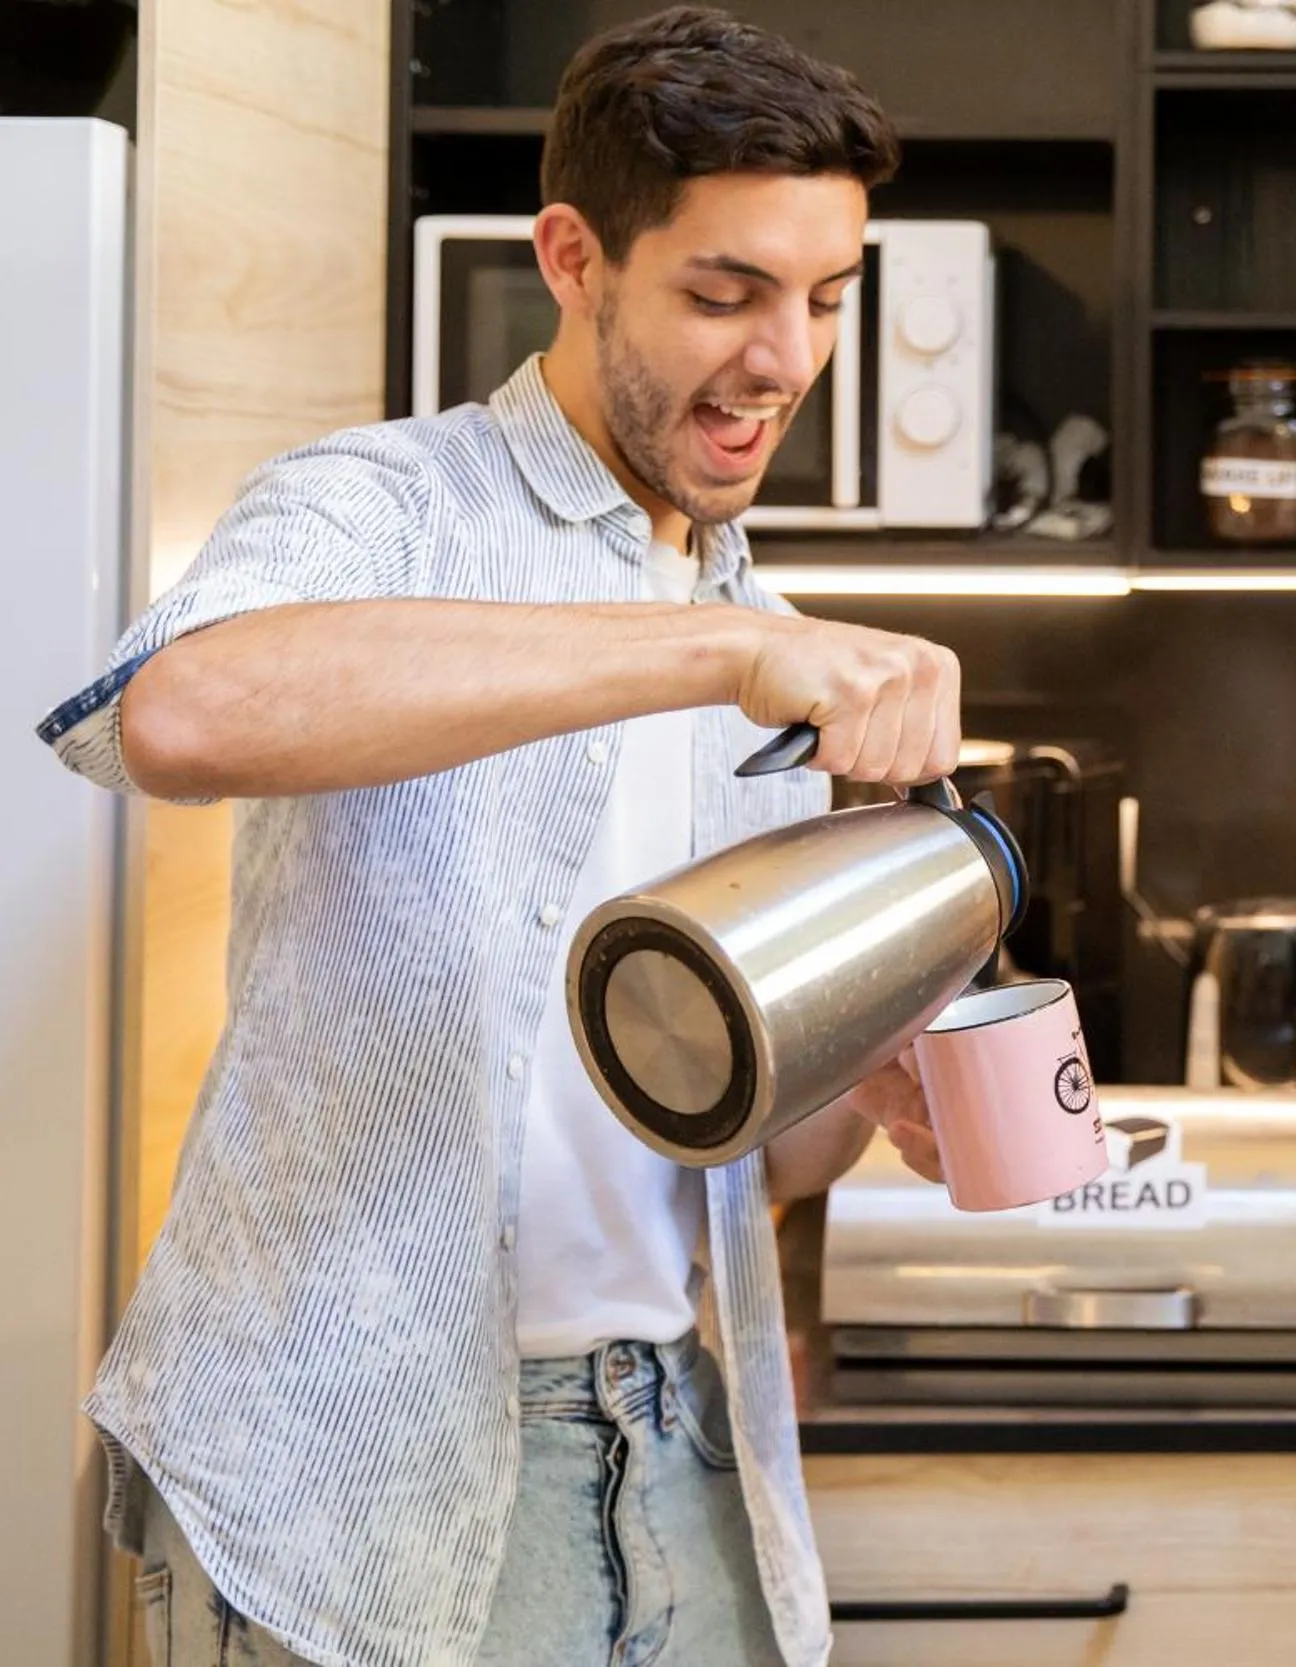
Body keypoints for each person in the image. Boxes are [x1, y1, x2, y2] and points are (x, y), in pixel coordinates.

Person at [35, 9, 954, 1665]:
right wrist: (708, 647)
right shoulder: (380, 499)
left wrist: (867, 1096)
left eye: (825, 299)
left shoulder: (768, 637)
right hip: (347, 1458)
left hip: (677, 1440)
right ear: (574, 257)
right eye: (724, 292)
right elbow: (176, 715)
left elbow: (726, 1153)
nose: (785, 360)